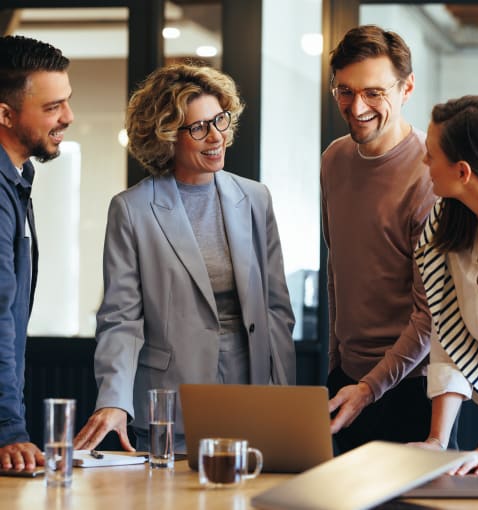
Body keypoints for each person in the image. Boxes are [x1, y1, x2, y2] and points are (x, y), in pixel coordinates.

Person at [74, 62, 296, 452]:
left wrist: (283, 398)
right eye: (198, 127)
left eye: (220, 120)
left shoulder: (255, 198)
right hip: (170, 403)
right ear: (166, 137)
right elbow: (120, 319)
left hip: (252, 397)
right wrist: (113, 399)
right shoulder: (132, 209)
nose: (216, 136)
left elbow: (277, 309)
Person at [321, 24, 436, 454]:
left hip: (412, 391)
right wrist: (337, 368)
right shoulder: (333, 160)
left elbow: (430, 316)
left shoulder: (430, 173)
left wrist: (370, 388)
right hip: (345, 383)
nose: (357, 107)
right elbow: (337, 270)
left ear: (407, 88)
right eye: (345, 91)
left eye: (374, 92)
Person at [413, 95, 478, 475]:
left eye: (431, 155)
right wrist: (438, 440)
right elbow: (449, 336)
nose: (425, 163)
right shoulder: (449, 225)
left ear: (463, 171)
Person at [0, 35, 73, 470]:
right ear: (4, 113)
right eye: (52, 108)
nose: (68, 117)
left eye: (66, 102)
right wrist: (7, 429)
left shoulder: (16, 177)